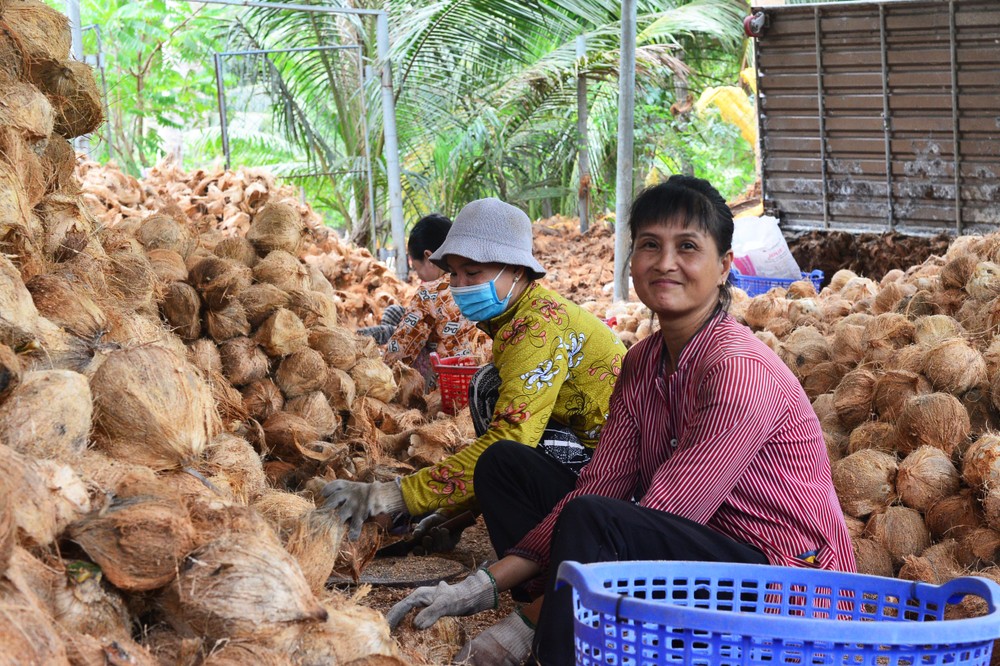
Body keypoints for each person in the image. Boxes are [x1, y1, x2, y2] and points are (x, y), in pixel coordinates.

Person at [385, 176, 856, 665]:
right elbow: (601, 484)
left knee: (594, 521)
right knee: (509, 467)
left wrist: (520, 629)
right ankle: (563, 614)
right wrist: (480, 585)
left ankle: (555, 636)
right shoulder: (644, 361)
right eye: (650, 245)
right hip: (698, 556)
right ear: (633, 261)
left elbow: (664, 518)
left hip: (782, 579)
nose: (665, 262)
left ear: (723, 268)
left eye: (687, 247)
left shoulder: (737, 369)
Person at [321, 197, 625, 552]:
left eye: (473, 272)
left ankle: (533, 564)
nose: (461, 285)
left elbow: (509, 443)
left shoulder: (536, 329)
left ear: (517, 271)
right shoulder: (514, 318)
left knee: (499, 440)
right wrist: (455, 513)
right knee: (487, 388)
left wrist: (394, 495)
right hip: (587, 448)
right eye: (454, 274)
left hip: (612, 472)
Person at [357, 213, 486, 386]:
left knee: (405, 340)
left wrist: (375, 372)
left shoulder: (429, 292)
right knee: (397, 314)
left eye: (416, 268)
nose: (418, 276)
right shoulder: (483, 280)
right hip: (483, 373)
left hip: (451, 383)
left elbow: (399, 354)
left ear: (429, 257)